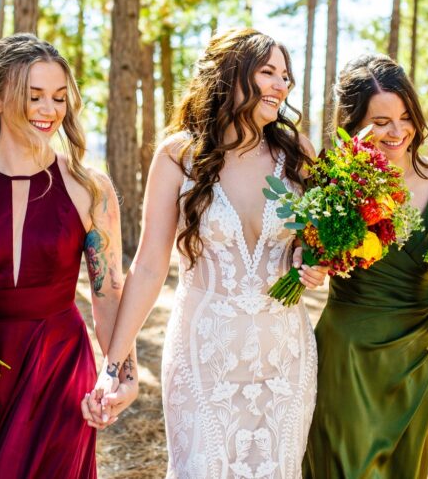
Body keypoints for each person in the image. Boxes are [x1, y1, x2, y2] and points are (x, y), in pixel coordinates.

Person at [90, 28, 327, 478]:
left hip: (285, 358)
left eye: (286, 77)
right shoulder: (179, 155)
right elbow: (148, 266)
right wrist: (114, 364)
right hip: (205, 357)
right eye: (268, 72)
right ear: (230, 75)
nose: (281, 85)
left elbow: (316, 251)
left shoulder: (298, 155)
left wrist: (314, 266)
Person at [0, 34, 131, 479]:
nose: (49, 109)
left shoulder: (89, 188)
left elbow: (110, 293)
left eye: (59, 97)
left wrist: (120, 372)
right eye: (33, 95)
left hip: (59, 367)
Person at [303, 53, 428, 478]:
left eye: (405, 116)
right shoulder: (334, 177)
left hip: (417, 353)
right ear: (354, 125)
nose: (398, 132)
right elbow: (313, 260)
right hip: (349, 351)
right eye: (380, 122)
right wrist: (314, 269)